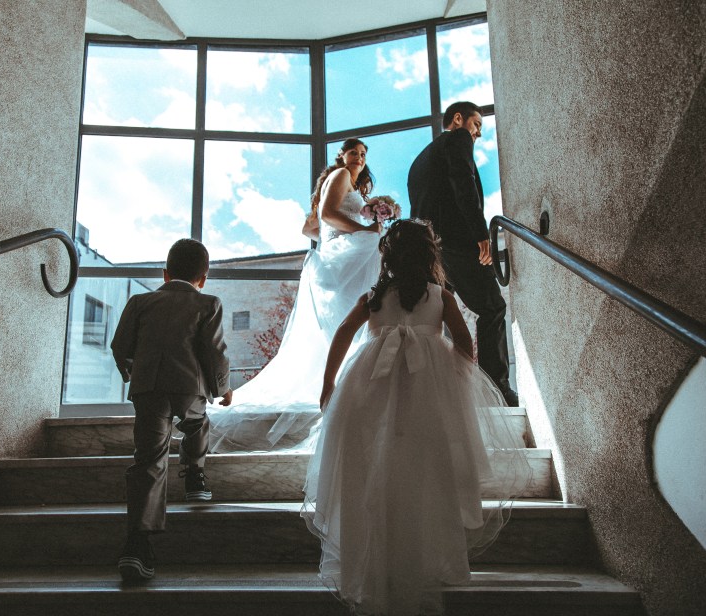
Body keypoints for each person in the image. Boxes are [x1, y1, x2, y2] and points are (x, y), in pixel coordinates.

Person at [301, 219, 532, 616]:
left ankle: (374, 558)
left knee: (374, 465)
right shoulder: (441, 295)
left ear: (387, 258)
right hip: (428, 390)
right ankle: (428, 559)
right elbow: (463, 342)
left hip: (371, 385)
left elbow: (343, 333)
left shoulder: (374, 297)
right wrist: (456, 379)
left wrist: (329, 383)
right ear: (429, 256)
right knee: (428, 470)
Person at [206, 138, 382, 453]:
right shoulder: (341, 175)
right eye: (353, 152)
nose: (359, 157)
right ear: (342, 155)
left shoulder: (342, 182)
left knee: (342, 324)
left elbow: (309, 228)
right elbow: (328, 214)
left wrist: (336, 236)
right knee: (355, 315)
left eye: (363, 154)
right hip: (343, 259)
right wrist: (362, 230)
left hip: (335, 256)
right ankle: (351, 384)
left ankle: (344, 382)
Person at [109, 238, 233, 582]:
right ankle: (194, 475)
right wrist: (222, 388)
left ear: (165, 274)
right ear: (203, 278)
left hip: (148, 387)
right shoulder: (208, 303)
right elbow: (214, 351)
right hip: (188, 387)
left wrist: (132, 371)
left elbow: (120, 345)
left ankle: (137, 546)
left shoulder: (140, 301)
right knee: (197, 424)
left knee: (148, 459)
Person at [407, 101, 519, 406]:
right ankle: (498, 391)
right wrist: (481, 235)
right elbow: (463, 183)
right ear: (458, 119)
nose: (478, 133)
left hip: (429, 249)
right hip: (457, 242)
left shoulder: (419, 160)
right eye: (476, 125)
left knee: (435, 317)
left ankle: (441, 390)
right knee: (493, 307)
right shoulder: (458, 139)